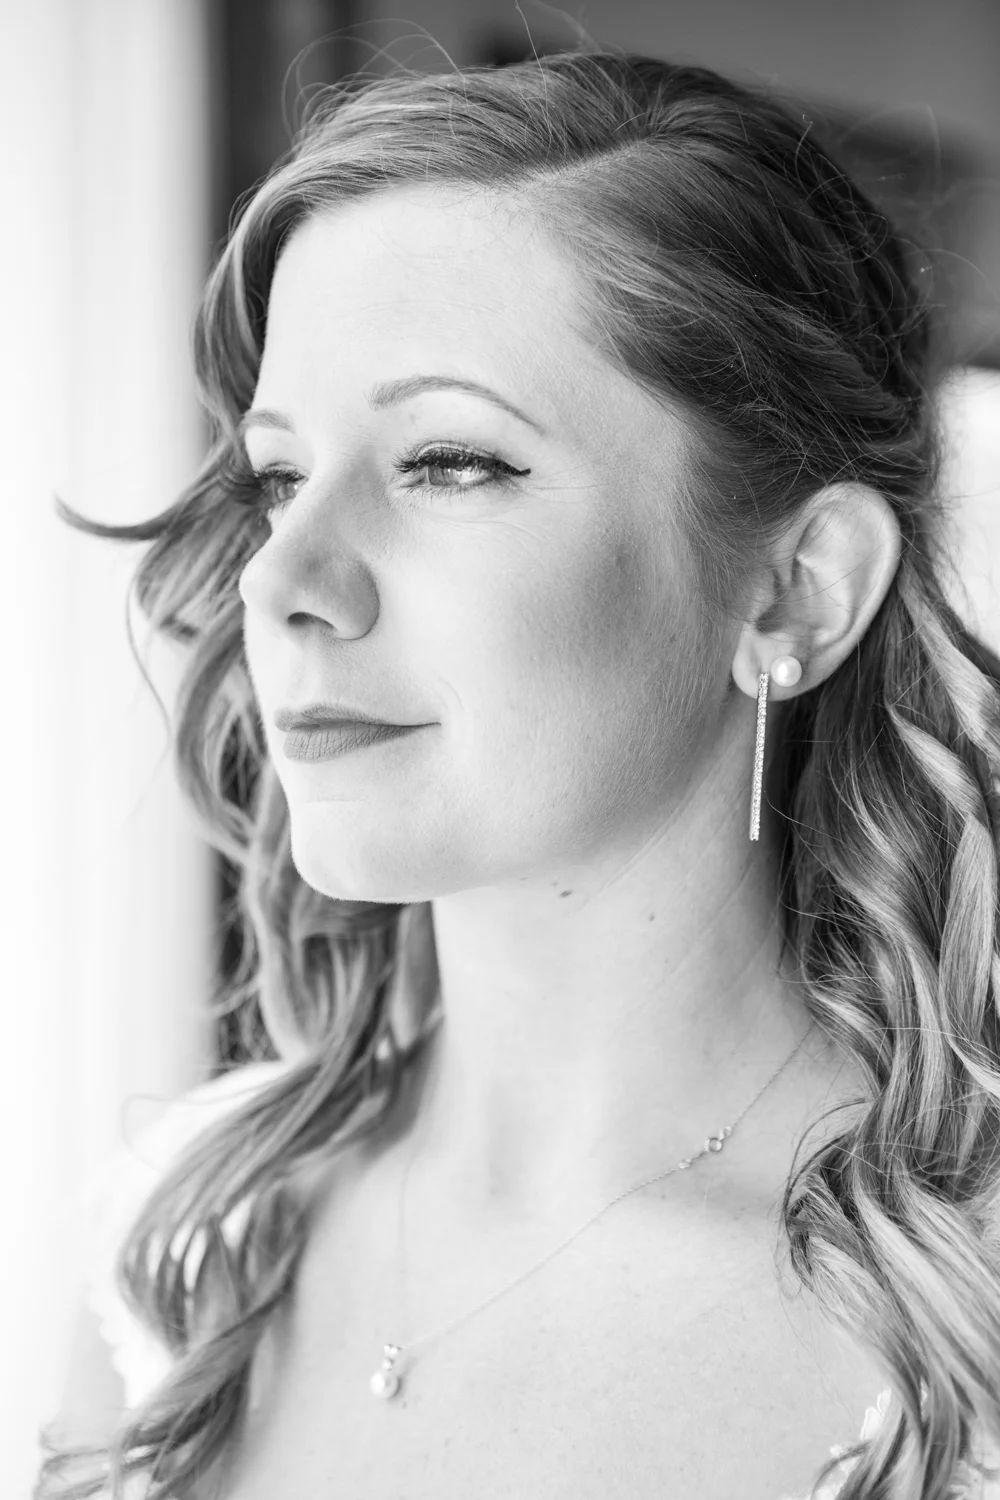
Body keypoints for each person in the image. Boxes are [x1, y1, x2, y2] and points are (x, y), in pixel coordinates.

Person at [36, 46, 1000, 1500]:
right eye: (282, 477)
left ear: (795, 592)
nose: (281, 581)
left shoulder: (962, 1330)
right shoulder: (188, 1245)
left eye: (448, 462)